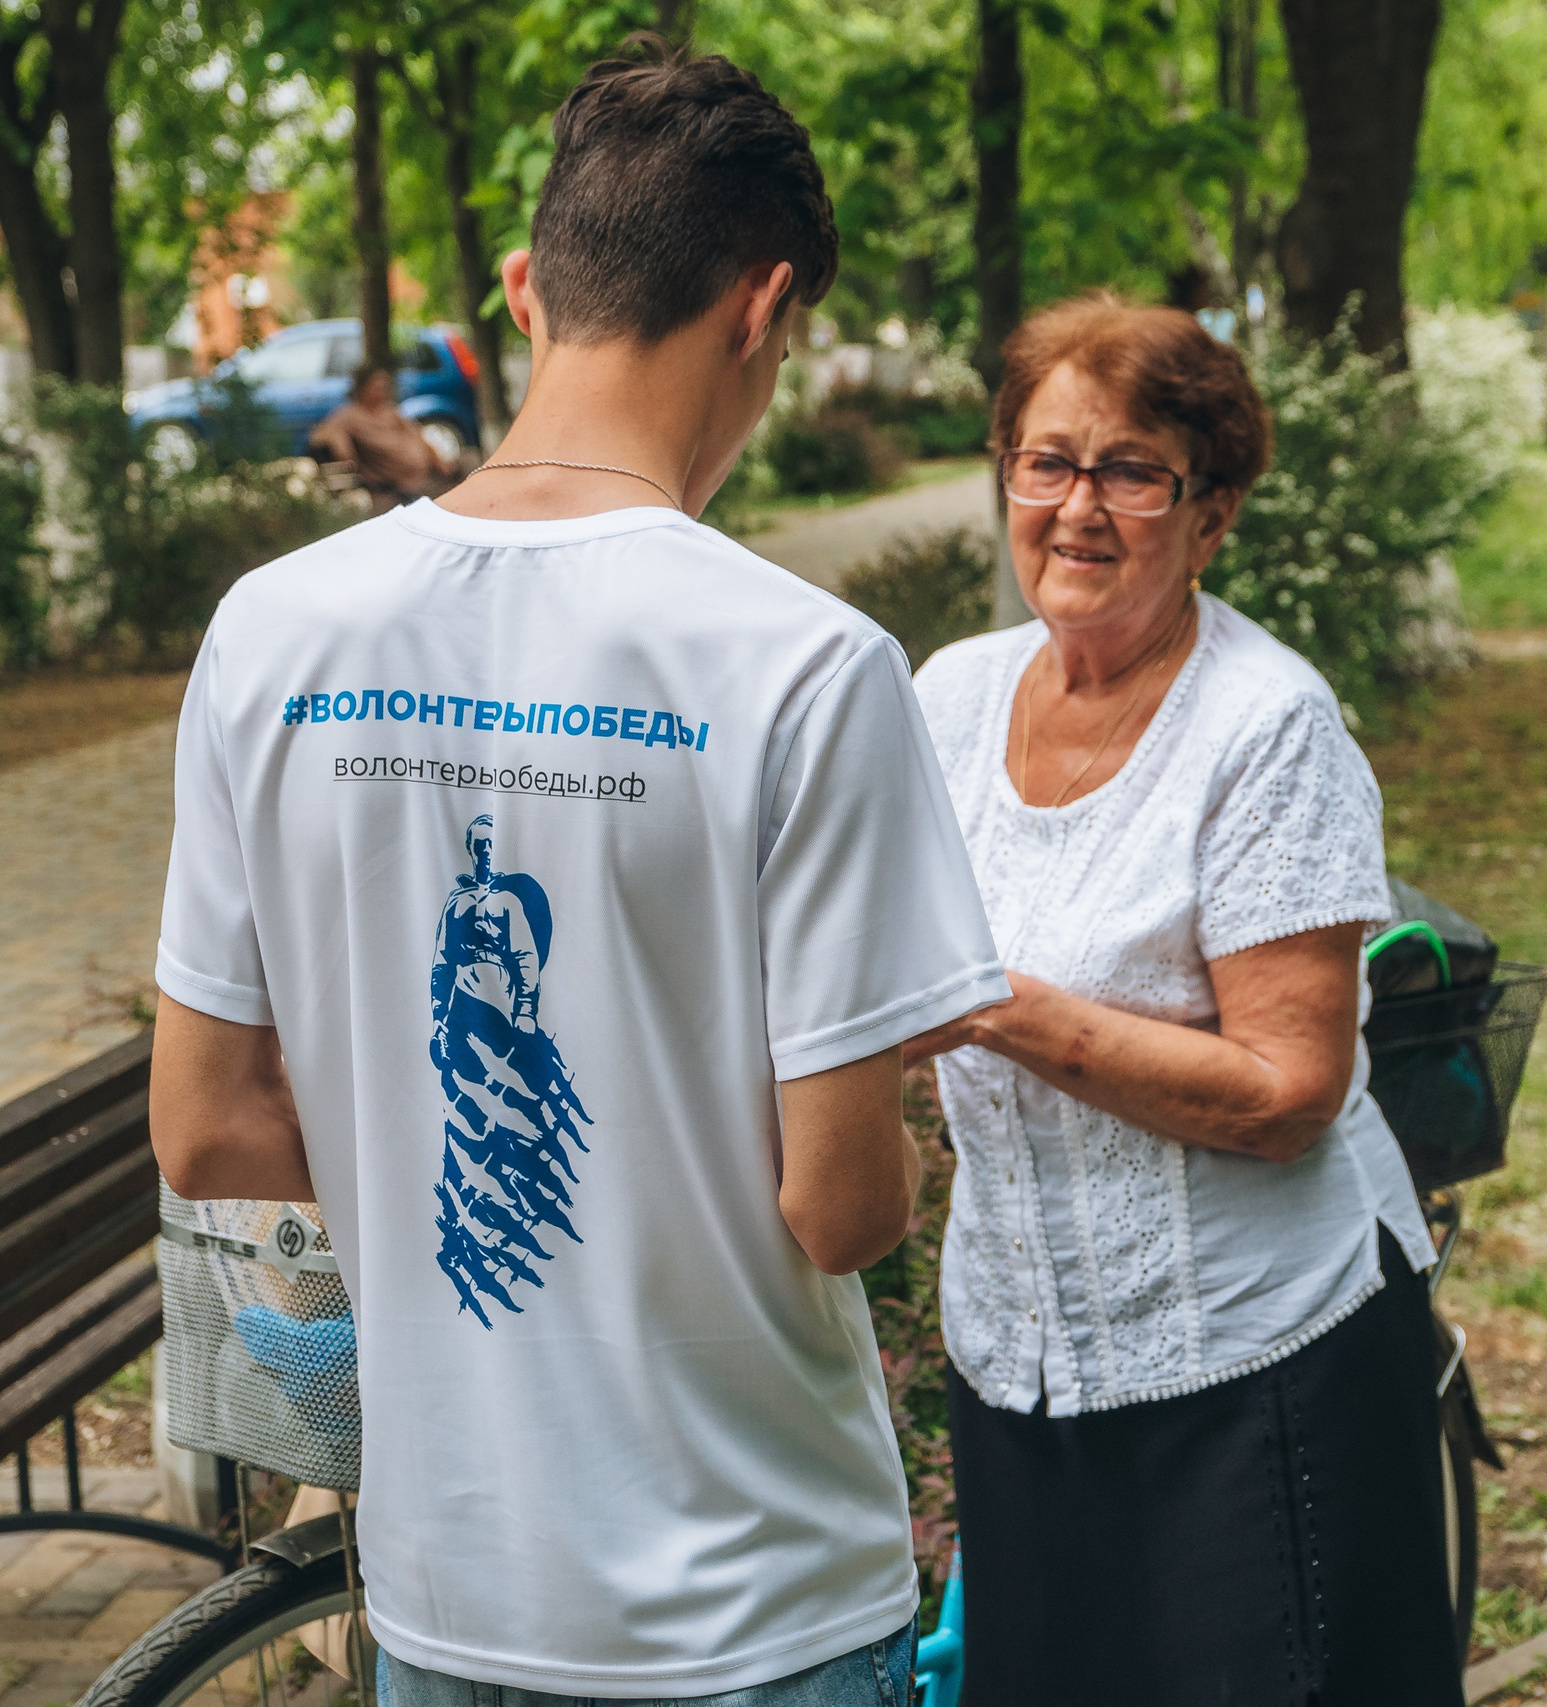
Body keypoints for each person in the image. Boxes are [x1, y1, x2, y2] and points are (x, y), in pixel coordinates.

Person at [146, 41, 1008, 1707]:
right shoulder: (808, 666)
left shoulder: (273, 630)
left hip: (450, 1591)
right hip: (754, 1599)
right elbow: (842, 1209)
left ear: (527, 291)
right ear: (762, 311)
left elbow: (204, 1123)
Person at [904, 293, 1463, 1707]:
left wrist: (990, 1002)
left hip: (1262, 1366)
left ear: (1209, 515)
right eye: (1047, 461)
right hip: (1020, 1366)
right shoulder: (948, 703)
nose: (1078, 507)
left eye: (1131, 470)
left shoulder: (1266, 727)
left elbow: (1288, 1092)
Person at [308, 361, 448, 511]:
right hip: (399, 486)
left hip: (431, 474)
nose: (382, 392)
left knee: (470, 462)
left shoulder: (390, 411)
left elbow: (418, 434)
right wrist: (338, 438)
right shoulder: (350, 415)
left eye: (384, 387)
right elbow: (318, 435)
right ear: (362, 389)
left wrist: (437, 459)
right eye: (377, 387)